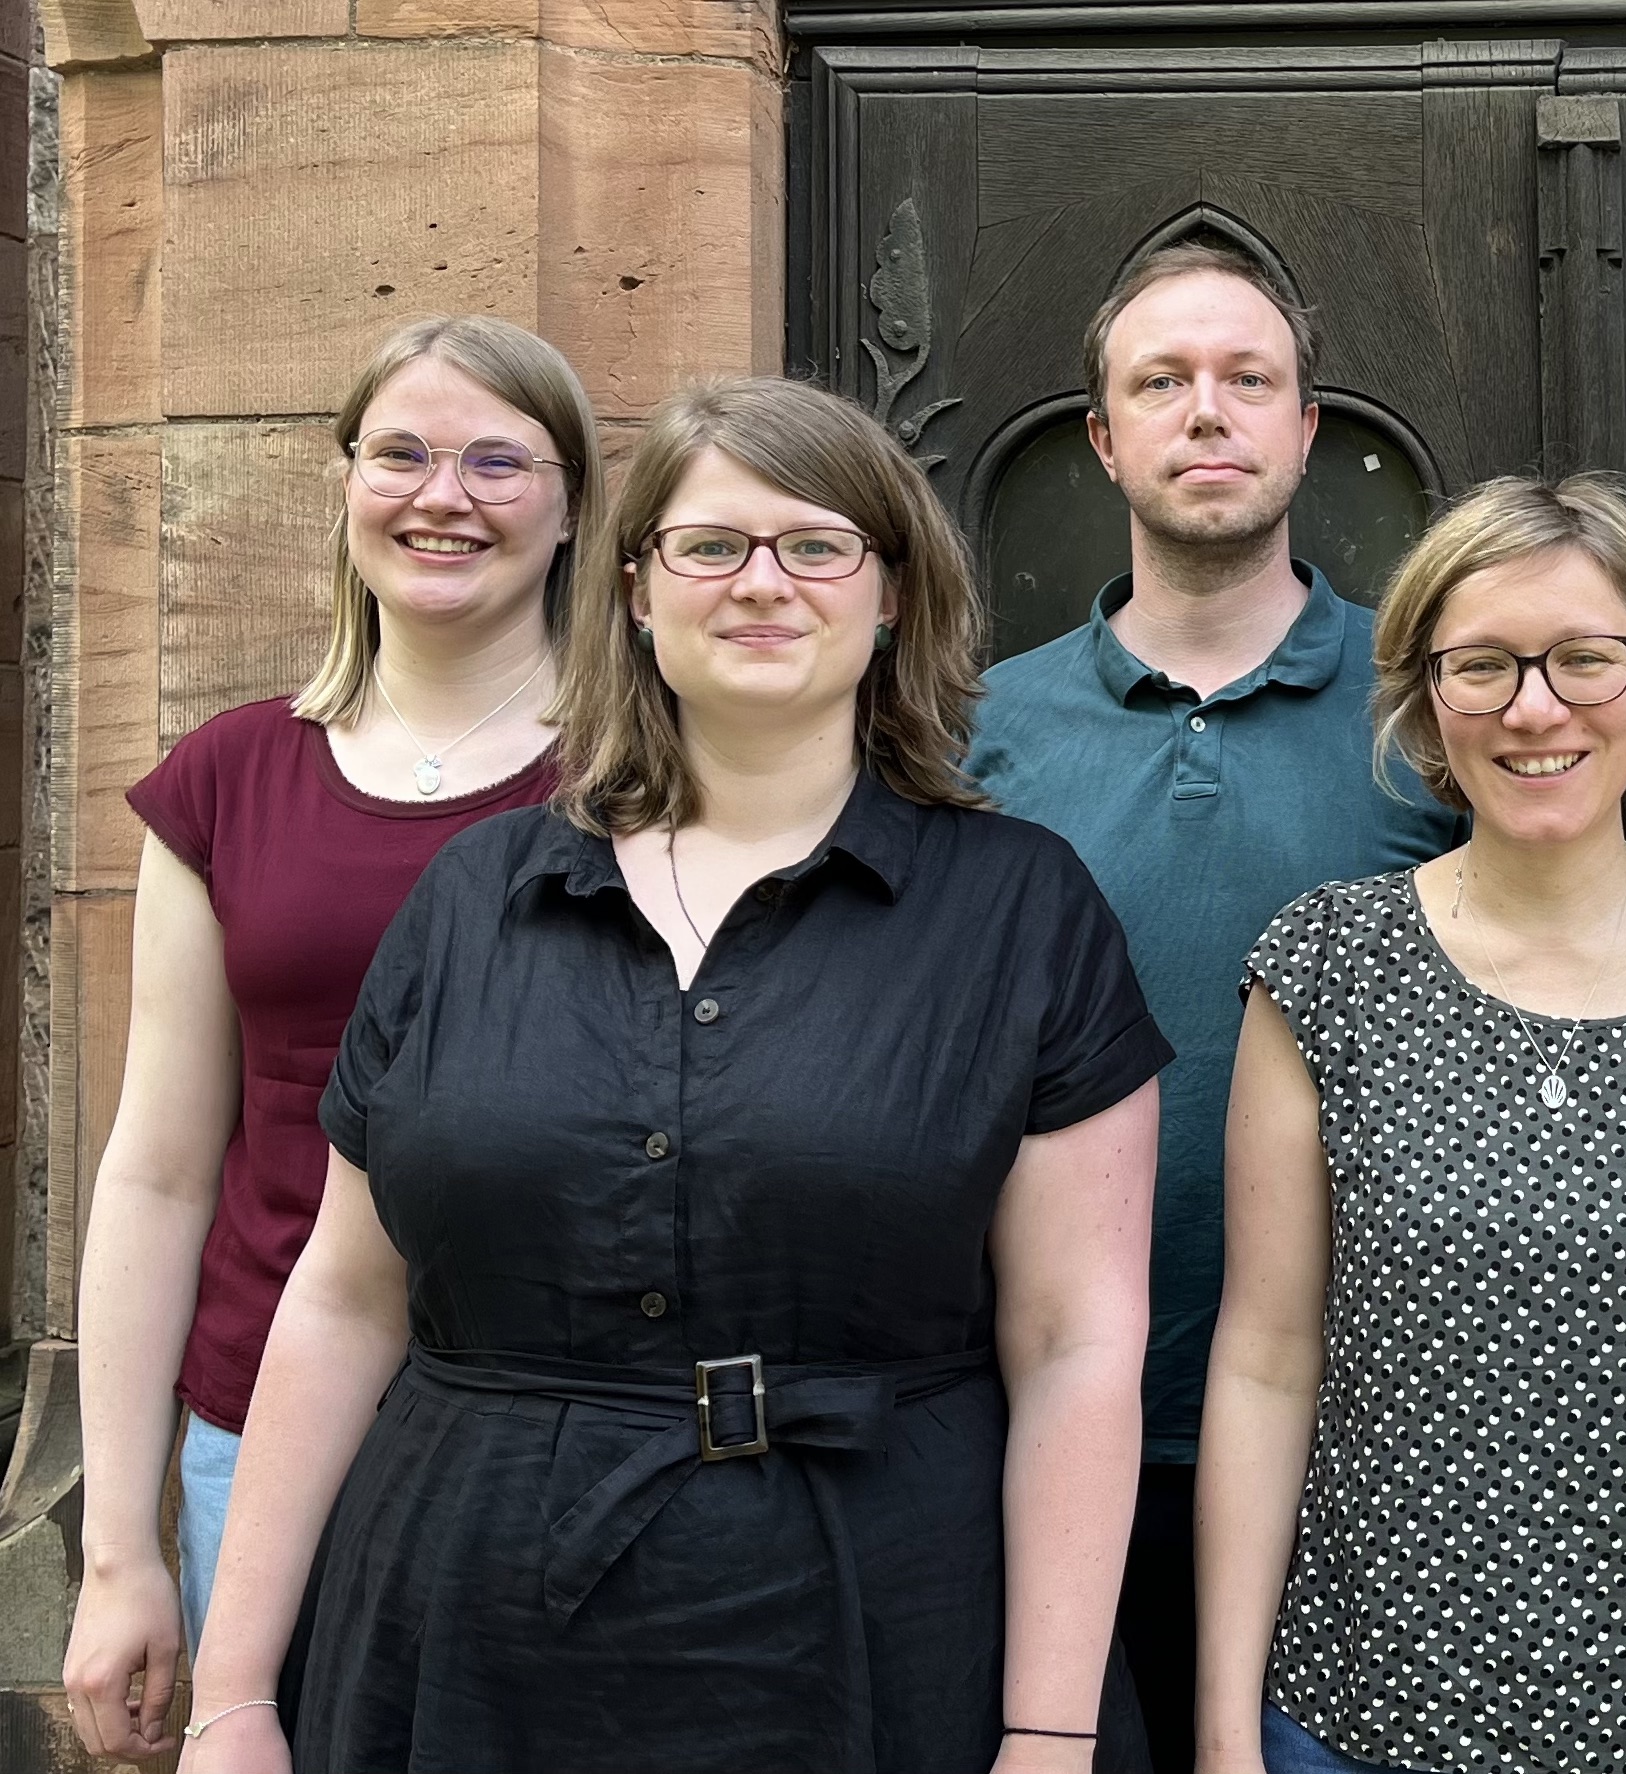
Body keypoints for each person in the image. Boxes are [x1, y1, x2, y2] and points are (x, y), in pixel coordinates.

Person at [178, 377, 1170, 1774]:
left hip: (886, 1623)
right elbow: (343, 1299)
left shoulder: (1022, 911)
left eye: (817, 545)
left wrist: (1048, 1727)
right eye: (710, 546)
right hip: (464, 1631)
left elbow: (1075, 1342)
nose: (761, 583)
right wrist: (233, 1697)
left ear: (891, 593)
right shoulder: (477, 897)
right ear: (637, 588)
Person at [1200, 475, 1626, 1774]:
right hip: (1367, 1719)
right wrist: (1227, 1726)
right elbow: (1264, 1360)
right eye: (1483, 666)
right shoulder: (1327, 967)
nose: (1535, 706)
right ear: (1422, 697)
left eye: (1584, 658)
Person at [60, 316, 591, 1763]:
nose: (445, 494)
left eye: (499, 459)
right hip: (261, 1428)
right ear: (344, 483)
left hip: (561, 1423)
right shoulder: (229, 777)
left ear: (569, 506)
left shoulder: (640, 771)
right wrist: (124, 1548)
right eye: (401, 453)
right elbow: (161, 1171)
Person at [967, 243, 1461, 1771]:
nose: (1208, 414)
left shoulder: (1434, 710)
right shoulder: (977, 730)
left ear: (1309, 431)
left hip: (1366, 1427)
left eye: (1249, 380)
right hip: (1036, 1418)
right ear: (1103, 439)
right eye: (1161, 383)